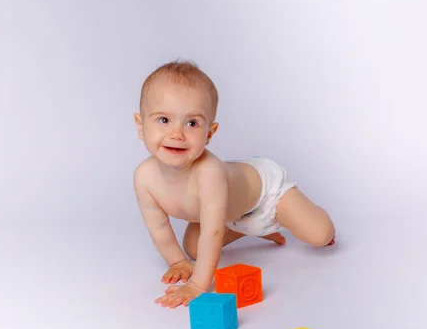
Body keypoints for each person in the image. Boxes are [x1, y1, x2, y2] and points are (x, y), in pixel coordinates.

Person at [133, 60, 335, 309]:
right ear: (140, 126)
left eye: (192, 123)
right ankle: (253, 228)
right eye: (163, 120)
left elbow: (213, 232)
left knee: (319, 234)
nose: (177, 134)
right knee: (193, 249)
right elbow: (159, 226)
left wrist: (197, 284)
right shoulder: (144, 177)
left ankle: (286, 216)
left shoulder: (208, 173)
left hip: (265, 192)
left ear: (209, 133)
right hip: (228, 212)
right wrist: (177, 262)